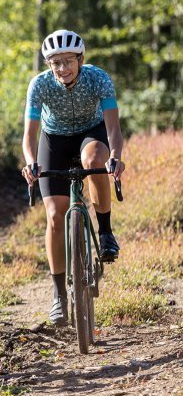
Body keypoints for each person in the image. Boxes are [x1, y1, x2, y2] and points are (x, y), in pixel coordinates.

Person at [21, 29, 125, 326]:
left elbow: (113, 128)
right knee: (55, 215)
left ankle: (105, 232)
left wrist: (115, 156)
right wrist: (31, 163)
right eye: (56, 63)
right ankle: (57, 296)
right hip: (53, 140)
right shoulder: (39, 85)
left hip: (91, 134)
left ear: (80, 59)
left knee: (93, 161)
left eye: (68, 61)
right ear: (49, 65)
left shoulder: (98, 78)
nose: (63, 68)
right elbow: (29, 135)